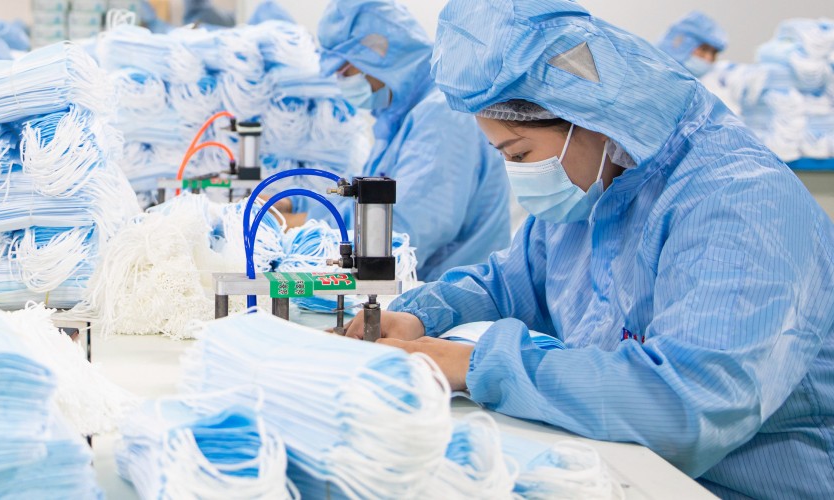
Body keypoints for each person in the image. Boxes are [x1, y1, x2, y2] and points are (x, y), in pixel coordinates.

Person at [345, 0, 834, 497]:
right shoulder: (597, 190)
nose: (518, 173)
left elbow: (685, 407)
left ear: (590, 118)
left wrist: (471, 365)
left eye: (519, 154)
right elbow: (512, 281)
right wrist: (421, 317)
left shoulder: (742, 204)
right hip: (629, 464)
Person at [316, 0, 511, 282]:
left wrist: (307, 238)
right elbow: (363, 202)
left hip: (446, 302)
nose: (341, 81)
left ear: (380, 55)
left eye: (346, 71)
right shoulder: (397, 119)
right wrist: (308, 215)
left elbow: (402, 234)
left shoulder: (442, 114)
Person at [658, 11, 727, 78]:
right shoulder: (650, 74)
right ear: (679, 43)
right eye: (704, 49)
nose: (708, 58)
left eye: (714, 53)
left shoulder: (702, 87)